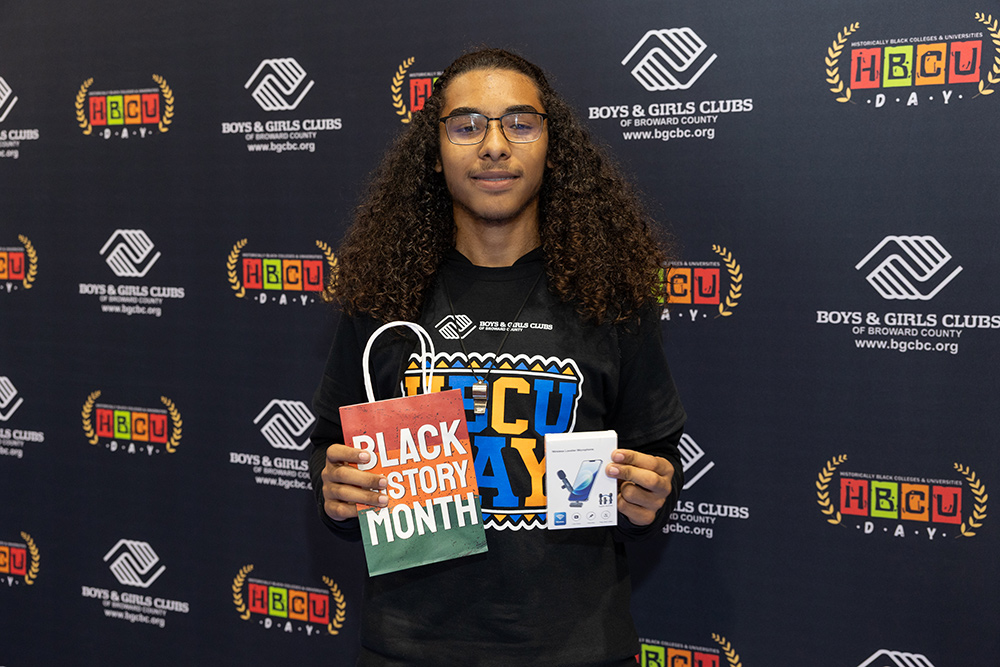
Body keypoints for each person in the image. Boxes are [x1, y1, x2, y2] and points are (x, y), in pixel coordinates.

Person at [309, 48, 686, 666]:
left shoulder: (610, 295)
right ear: (434, 152)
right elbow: (329, 447)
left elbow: (658, 452)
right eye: (466, 125)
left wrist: (650, 493)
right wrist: (337, 491)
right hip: (412, 646)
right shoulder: (384, 298)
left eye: (519, 122)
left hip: (576, 648)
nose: (493, 145)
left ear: (550, 144)